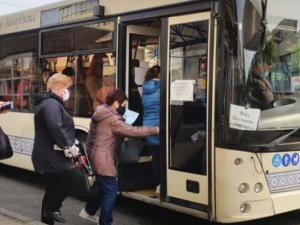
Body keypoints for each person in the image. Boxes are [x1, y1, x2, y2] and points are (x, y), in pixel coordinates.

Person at [79, 89, 159, 225]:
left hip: (95, 154)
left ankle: (88, 211)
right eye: (122, 104)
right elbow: (133, 131)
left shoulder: (101, 111)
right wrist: (155, 129)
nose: (123, 107)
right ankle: (105, 222)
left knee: (102, 186)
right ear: (116, 103)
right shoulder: (112, 119)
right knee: (111, 190)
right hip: (103, 158)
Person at [32, 73, 87, 225]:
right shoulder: (51, 103)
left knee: (52, 187)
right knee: (77, 180)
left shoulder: (50, 102)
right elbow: (55, 126)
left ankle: (47, 218)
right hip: (50, 156)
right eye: (66, 88)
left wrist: (70, 142)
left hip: (49, 154)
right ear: (59, 87)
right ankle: (52, 208)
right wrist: (69, 146)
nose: (67, 91)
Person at [141, 65, 161, 192]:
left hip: (147, 125)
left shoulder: (145, 88)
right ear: (160, 75)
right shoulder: (162, 87)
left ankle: (158, 184)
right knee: (161, 157)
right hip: (159, 126)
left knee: (156, 156)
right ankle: (161, 183)